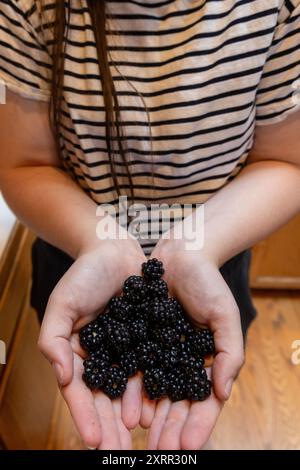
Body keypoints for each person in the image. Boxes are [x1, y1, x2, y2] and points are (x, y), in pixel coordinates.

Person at [0, 0, 299, 450]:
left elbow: (286, 161)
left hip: (213, 264)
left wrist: (199, 248)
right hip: (76, 260)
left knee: (203, 393)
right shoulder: (27, 7)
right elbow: (21, 165)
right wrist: (97, 242)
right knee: (100, 423)